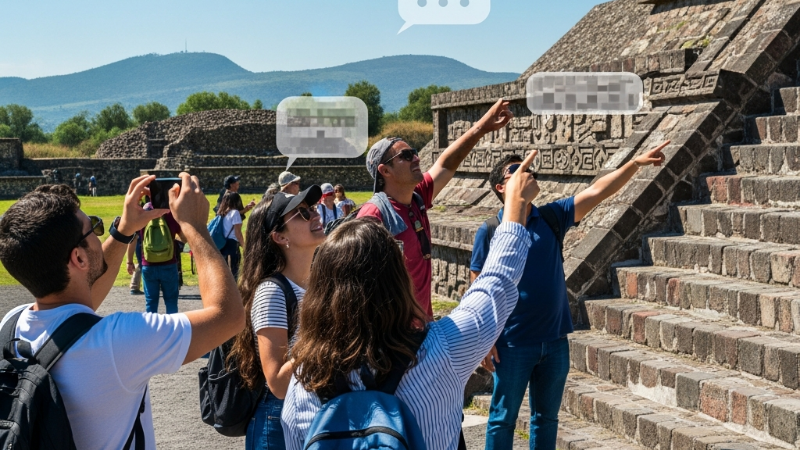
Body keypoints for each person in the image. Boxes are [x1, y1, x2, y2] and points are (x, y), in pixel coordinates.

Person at [281, 149, 540, 450]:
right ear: (400, 279)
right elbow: (497, 281)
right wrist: (516, 203)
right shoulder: (443, 350)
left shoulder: (302, 383)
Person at [0, 174, 244, 449]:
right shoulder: (118, 341)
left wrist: (123, 231)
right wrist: (195, 227)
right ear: (78, 257)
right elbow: (228, 316)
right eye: (94, 227)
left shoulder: (10, 326)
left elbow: (77, 307)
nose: (99, 232)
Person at [471, 141, 669, 450]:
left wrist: (635, 164)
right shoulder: (491, 229)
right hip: (512, 343)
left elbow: (598, 191)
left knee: (546, 419)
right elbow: (477, 285)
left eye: (530, 168)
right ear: (501, 187)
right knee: (502, 419)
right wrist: (483, 338)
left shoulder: (552, 217)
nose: (529, 172)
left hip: (554, 340)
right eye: (518, 169)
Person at [357, 98, 513, 318]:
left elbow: (447, 163)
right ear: (385, 171)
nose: (416, 158)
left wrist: (482, 127)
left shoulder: (416, 198)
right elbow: (361, 285)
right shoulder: (374, 215)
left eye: (414, 152)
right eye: (406, 156)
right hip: (395, 333)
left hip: (423, 326)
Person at [229, 186, 324, 450]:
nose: (315, 215)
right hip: (278, 422)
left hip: (312, 412)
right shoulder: (271, 292)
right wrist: (323, 336)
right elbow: (279, 384)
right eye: (302, 213)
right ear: (280, 237)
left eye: (312, 209)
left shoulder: (317, 283)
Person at [138, 205, 185, 314]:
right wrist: (177, 245)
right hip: (169, 263)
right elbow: (184, 236)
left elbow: (135, 238)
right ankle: (172, 324)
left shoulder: (143, 214)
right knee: (171, 301)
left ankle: (152, 324)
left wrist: (129, 261)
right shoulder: (170, 214)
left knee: (151, 301)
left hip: (148, 264)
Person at [217, 191, 247, 279]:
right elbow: (238, 233)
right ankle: (234, 287)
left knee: (225, 271)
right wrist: (244, 246)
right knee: (234, 270)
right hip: (232, 244)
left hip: (223, 243)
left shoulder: (222, 213)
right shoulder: (235, 213)